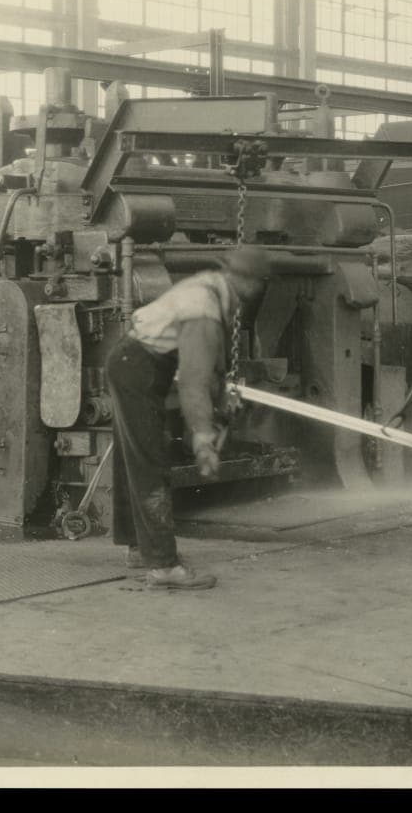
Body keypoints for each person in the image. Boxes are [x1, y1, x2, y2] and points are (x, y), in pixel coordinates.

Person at [105, 246, 271, 590]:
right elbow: (194, 381)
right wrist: (203, 438)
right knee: (150, 460)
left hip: (129, 360)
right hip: (139, 368)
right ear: (252, 284)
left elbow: (207, 365)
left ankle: (140, 546)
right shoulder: (204, 308)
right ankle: (163, 566)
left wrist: (222, 396)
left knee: (134, 456)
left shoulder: (209, 285)